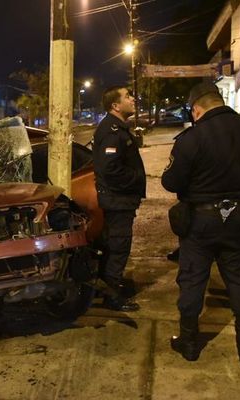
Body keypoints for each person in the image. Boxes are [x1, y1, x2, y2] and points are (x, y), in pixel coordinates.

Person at [162, 82, 240, 363]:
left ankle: (189, 344)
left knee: (193, 280)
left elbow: (171, 182)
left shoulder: (191, 139)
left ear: (196, 109)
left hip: (201, 221)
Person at [92, 86, 146, 311]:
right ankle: (113, 295)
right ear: (115, 105)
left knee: (114, 245)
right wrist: (136, 179)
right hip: (117, 200)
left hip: (119, 199)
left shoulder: (117, 128)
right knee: (118, 246)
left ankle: (110, 284)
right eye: (128, 96)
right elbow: (110, 169)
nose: (133, 99)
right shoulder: (112, 131)